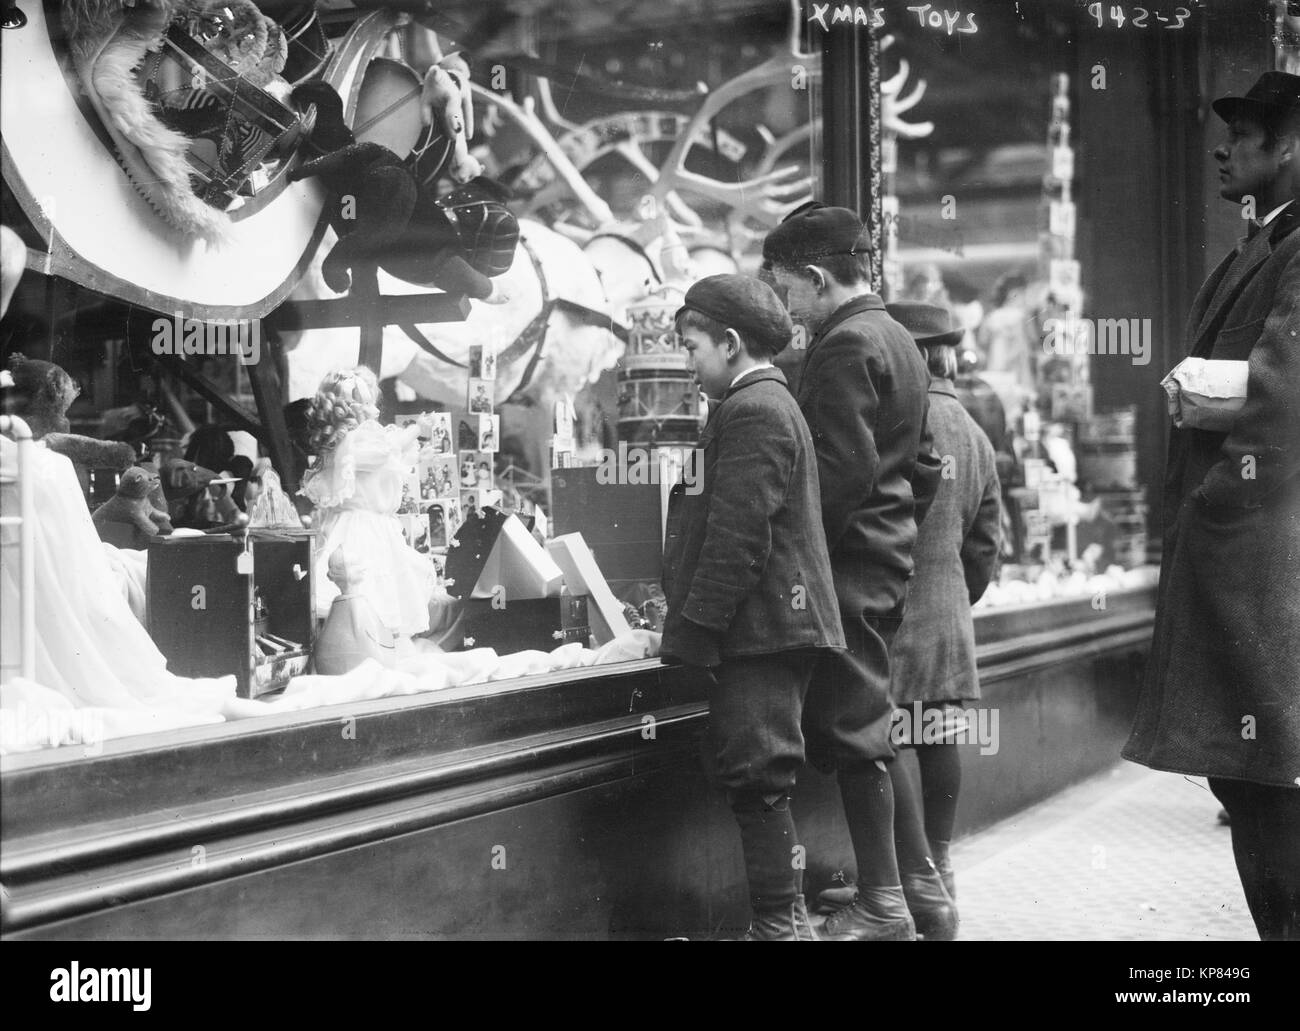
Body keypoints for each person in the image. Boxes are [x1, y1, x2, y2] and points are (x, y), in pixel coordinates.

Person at [1124, 71, 1300, 941]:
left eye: (1248, 134)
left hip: (1260, 558)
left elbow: (1279, 396)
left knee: (1268, 775)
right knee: (1251, 775)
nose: (1224, 149)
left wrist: (1211, 504)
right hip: (1244, 557)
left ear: (1292, 146)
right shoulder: (1258, 248)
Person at [762, 204, 942, 941]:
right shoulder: (898, 336)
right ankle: (920, 891)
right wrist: (892, 531)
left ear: (813, 276)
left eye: (779, 286)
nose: (778, 303)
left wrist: (797, 564)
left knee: (855, 727)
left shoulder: (841, 346)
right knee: (874, 719)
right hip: (883, 558)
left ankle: (884, 906)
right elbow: (924, 467)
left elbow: (836, 476)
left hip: (845, 569)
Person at [662, 274, 845, 940]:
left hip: (764, 632)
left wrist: (694, 631)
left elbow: (738, 538)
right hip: (769, 627)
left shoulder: (755, 409)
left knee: (759, 775)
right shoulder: (762, 403)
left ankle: (780, 928)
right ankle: (781, 923)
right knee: (757, 774)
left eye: (692, 347)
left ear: (731, 341)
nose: (687, 363)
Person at [884, 302, 1002, 938]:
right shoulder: (974, 431)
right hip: (947, 612)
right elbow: (987, 543)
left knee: (889, 737)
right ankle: (943, 864)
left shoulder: (899, 418)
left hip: (892, 610)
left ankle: (916, 879)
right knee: (937, 734)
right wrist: (957, 594)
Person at [300, 368, 434, 639]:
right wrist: (416, 429)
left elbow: (385, 463)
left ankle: (371, 642)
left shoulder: (354, 441)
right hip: (361, 527)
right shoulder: (354, 441)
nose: (373, 407)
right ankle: (359, 643)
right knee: (368, 588)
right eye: (367, 399)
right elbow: (385, 451)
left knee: (378, 591)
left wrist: (417, 456)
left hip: (371, 525)